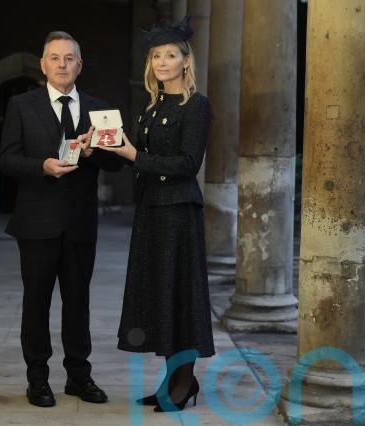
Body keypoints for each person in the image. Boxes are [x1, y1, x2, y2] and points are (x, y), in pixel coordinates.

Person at [97, 17, 215, 412]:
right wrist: (108, 145)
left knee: (181, 295)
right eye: (156, 56)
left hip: (179, 212)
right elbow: (139, 158)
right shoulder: (151, 108)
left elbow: (187, 163)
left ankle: (183, 382)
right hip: (151, 210)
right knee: (162, 296)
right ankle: (174, 380)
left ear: (186, 61)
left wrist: (135, 155)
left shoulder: (196, 106)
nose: (162, 62)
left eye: (170, 55)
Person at [0, 31, 121, 408]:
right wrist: (42, 166)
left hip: (80, 223)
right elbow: (7, 159)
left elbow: (116, 162)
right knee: (36, 303)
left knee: (78, 303)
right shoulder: (21, 105)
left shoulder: (100, 109)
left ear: (79, 65)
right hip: (36, 223)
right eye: (54, 58)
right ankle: (37, 379)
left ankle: (79, 377)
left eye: (69, 58)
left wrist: (94, 154)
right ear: (43, 65)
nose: (62, 64)